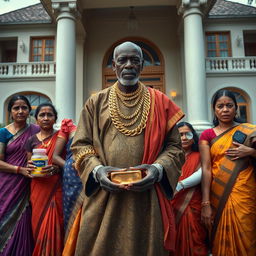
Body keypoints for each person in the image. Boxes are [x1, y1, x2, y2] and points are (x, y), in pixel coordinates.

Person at [71, 41, 185, 256]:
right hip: (104, 194)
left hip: (147, 195)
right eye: (122, 60)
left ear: (142, 66)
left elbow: (175, 148)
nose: (129, 65)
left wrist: (158, 169)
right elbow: (80, 144)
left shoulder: (160, 101)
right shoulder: (96, 102)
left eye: (135, 60)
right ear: (114, 66)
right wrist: (97, 171)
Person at [199, 89, 256, 255]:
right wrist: (205, 203)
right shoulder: (207, 135)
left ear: (236, 108)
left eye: (229, 105)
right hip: (218, 193)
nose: (225, 110)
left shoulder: (249, 130)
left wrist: (251, 152)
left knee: (246, 231)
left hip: (245, 192)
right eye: (220, 106)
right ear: (214, 110)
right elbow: (206, 169)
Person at [0, 95, 39, 255]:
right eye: (16, 108)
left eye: (24, 107)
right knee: (4, 219)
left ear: (29, 111)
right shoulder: (3, 133)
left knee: (23, 221)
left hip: (28, 185)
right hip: (6, 185)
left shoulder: (36, 130)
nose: (21, 111)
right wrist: (19, 169)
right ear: (10, 112)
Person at [26, 103, 64, 256]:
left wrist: (56, 168)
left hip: (56, 188)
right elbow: (29, 168)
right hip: (37, 189)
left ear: (55, 118)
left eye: (50, 115)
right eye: (42, 115)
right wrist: (29, 168)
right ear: (36, 120)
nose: (46, 118)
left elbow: (66, 164)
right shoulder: (31, 141)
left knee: (57, 226)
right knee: (38, 225)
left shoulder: (62, 137)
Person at [171, 122, 208, 256]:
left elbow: (203, 173)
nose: (184, 137)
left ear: (193, 137)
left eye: (188, 134)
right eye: (180, 134)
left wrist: (181, 185)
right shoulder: (170, 158)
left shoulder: (199, 155)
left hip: (193, 204)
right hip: (172, 204)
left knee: (195, 240)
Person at [52, 119, 83, 236]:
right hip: (73, 178)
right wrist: (69, 166)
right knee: (72, 214)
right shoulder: (69, 126)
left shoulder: (99, 124)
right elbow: (55, 156)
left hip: (96, 174)